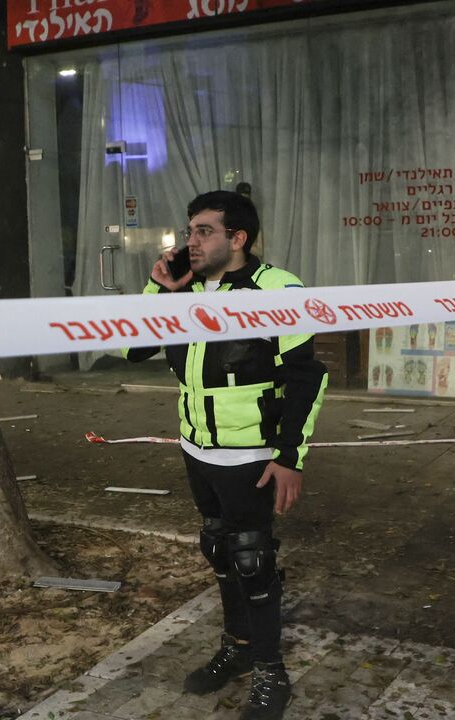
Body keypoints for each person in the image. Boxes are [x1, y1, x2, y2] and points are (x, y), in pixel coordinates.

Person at [125, 190, 327, 719]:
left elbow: (308, 376)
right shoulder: (185, 287)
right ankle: (237, 649)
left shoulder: (277, 289)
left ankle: (270, 673)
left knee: (252, 559)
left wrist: (290, 456)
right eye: (189, 230)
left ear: (237, 239)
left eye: (203, 232)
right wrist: (162, 289)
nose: (190, 242)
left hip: (253, 454)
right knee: (218, 549)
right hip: (196, 447)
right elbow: (131, 346)